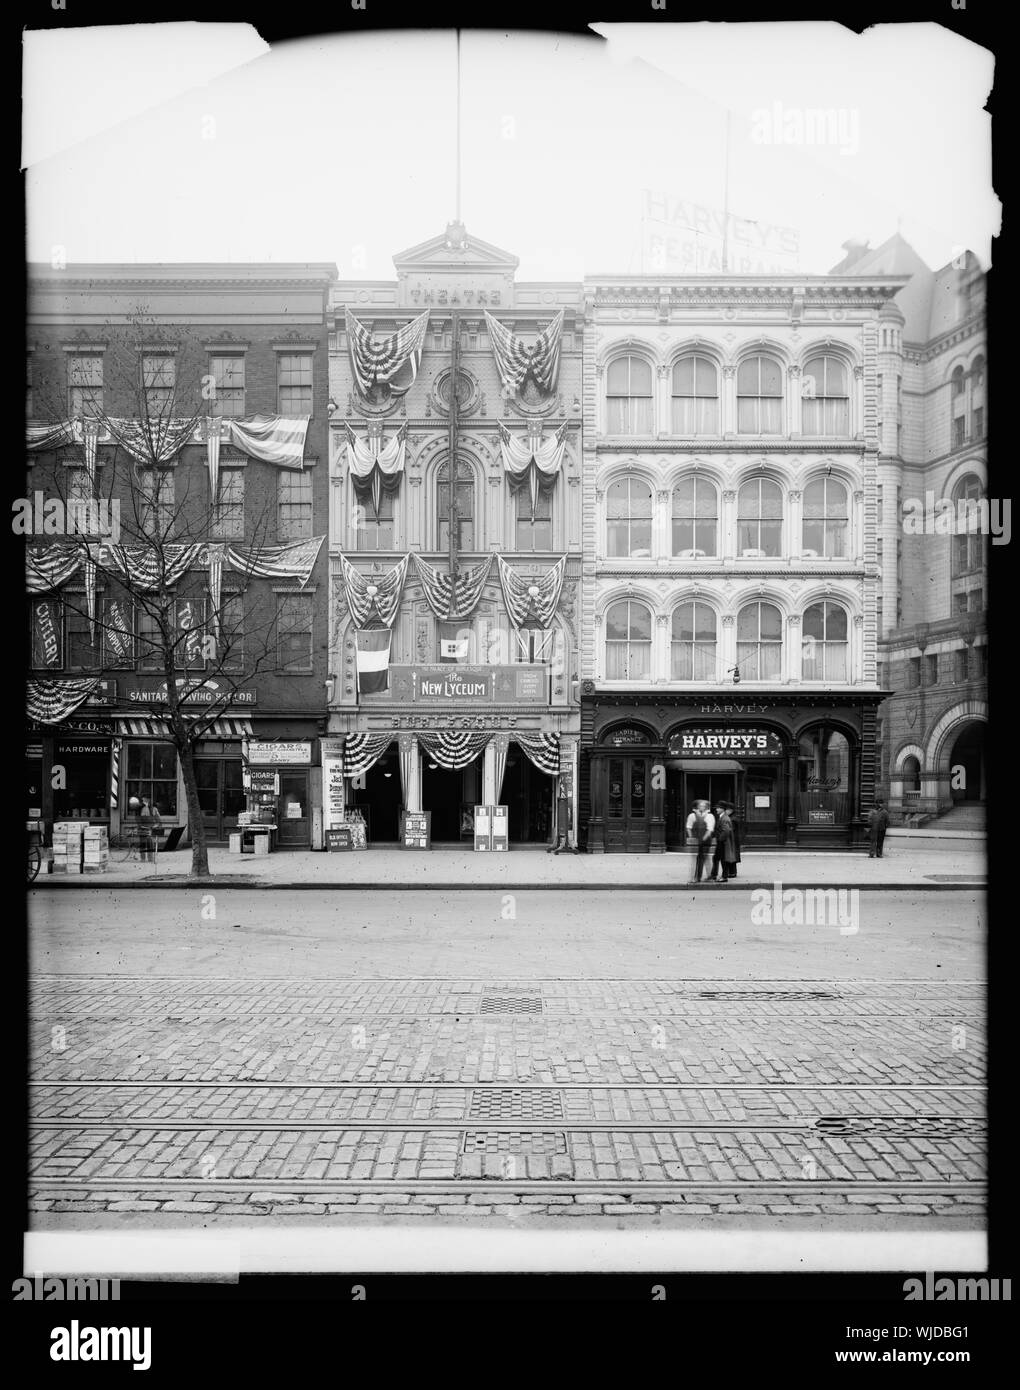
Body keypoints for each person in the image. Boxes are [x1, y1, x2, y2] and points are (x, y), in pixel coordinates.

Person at [685, 799, 715, 883]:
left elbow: (709, 830)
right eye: (700, 805)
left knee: (705, 858)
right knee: (695, 858)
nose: (701, 806)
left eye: (703, 805)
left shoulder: (709, 816)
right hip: (696, 840)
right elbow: (688, 827)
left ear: (706, 807)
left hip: (705, 840)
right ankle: (695, 877)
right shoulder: (692, 815)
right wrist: (692, 839)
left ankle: (709, 876)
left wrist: (702, 840)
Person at [548, 782, 574, 854]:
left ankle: (563, 844)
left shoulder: (565, 793)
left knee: (564, 830)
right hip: (562, 815)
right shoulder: (562, 793)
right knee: (561, 830)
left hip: (565, 815)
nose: (562, 787)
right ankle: (558, 843)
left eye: (562, 786)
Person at [138, 797, 162, 861]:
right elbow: (139, 820)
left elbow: (158, 821)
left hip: (149, 829)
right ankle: (143, 858)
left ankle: (149, 858)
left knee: (149, 844)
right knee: (143, 844)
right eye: (143, 800)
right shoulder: (141, 809)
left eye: (145, 800)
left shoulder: (154, 809)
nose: (144, 802)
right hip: (143, 828)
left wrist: (155, 826)